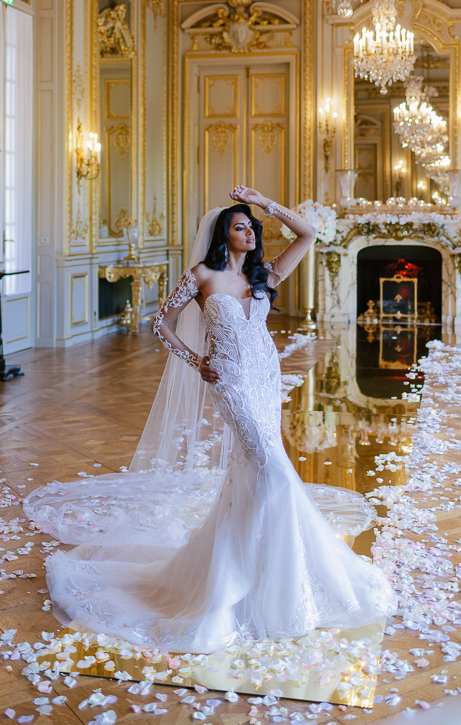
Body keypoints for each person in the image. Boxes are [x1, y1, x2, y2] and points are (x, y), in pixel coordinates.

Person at [24, 186, 396, 653]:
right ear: (224, 234)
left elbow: (309, 232)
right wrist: (195, 359)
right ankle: (266, 576)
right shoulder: (201, 274)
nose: (250, 233)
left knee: (257, 470)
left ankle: (255, 568)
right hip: (231, 381)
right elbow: (162, 322)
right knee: (273, 470)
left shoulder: (266, 275)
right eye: (241, 227)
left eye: (252, 228)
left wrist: (263, 203)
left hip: (264, 376)